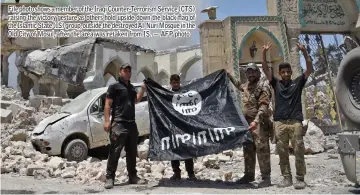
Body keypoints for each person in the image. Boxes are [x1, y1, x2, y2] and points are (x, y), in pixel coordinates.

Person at [261, 42, 313, 189]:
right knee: (282, 151)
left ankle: (300, 178)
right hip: (280, 122)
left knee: (298, 150)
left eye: (287, 72)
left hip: (295, 121)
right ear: (280, 73)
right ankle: (286, 178)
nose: (285, 74)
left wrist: (304, 51)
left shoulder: (298, 82)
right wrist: (264, 53)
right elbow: (265, 69)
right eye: (282, 72)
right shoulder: (276, 83)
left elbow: (309, 69)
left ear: (291, 72)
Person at [226, 63, 272, 187]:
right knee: (248, 149)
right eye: (248, 72)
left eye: (253, 72)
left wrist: (256, 121)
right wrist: (229, 75)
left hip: (259, 124)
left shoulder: (262, 86)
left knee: (262, 150)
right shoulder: (247, 86)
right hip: (247, 124)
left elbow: (263, 106)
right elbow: (238, 84)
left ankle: (266, 178)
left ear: (258, 73)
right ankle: (249, 175)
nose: (251, 74)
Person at [103, 63, 147, 189]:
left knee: (132, 152)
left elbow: (135, 101)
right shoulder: (114, 87)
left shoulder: (131, 88)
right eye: (126, 70)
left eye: (130, 71)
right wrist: (107, 121)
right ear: (120, 71)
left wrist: (142, 89)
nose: (128, 72)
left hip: (131, 124)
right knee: (115, 152)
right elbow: (107, 105)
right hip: (119, 123)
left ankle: (132, 176)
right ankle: (110, 178)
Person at [168, 74, 197, 181]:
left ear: (179, 82)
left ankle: (191, 173)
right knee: (174, 149)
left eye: (177, 82)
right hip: (172, 126)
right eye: (174, 82)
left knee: (187, 149)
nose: (176, 84)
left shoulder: (185, 93)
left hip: (184, 126)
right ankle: (176, 173)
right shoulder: (167, 94)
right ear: (171, 83)